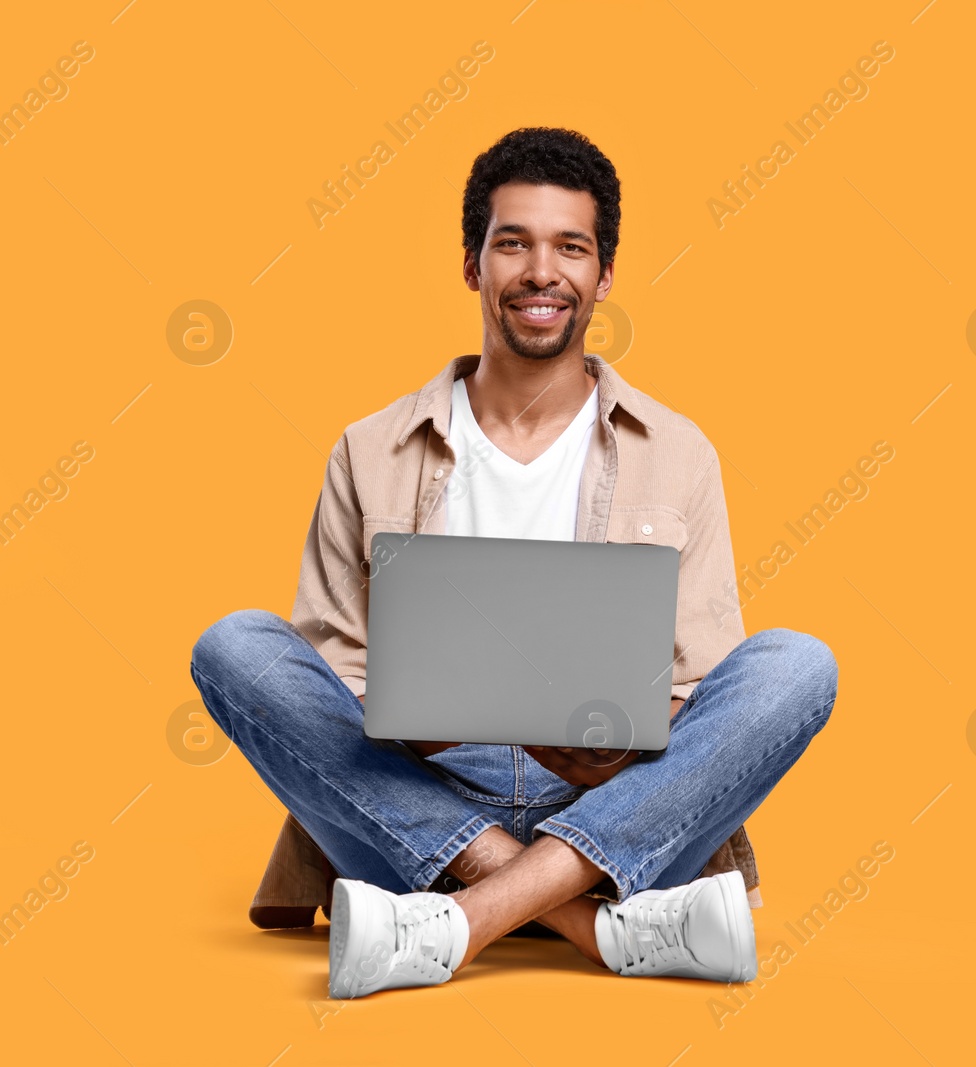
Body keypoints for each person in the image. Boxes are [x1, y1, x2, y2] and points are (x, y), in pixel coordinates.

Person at [189, 127, 838, 999]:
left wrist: (606, 751)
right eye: (513, 244)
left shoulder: (679, 452)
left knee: (797, 665)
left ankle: (453, 923)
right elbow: (330, 678)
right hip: (416, 793)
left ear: (604, 274)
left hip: (615, 805)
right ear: (472, 266)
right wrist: (413, 720)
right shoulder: (370, 448)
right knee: (235, 646)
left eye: (571, 246)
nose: (542, 272)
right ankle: (593, 922)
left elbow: (703, 683)